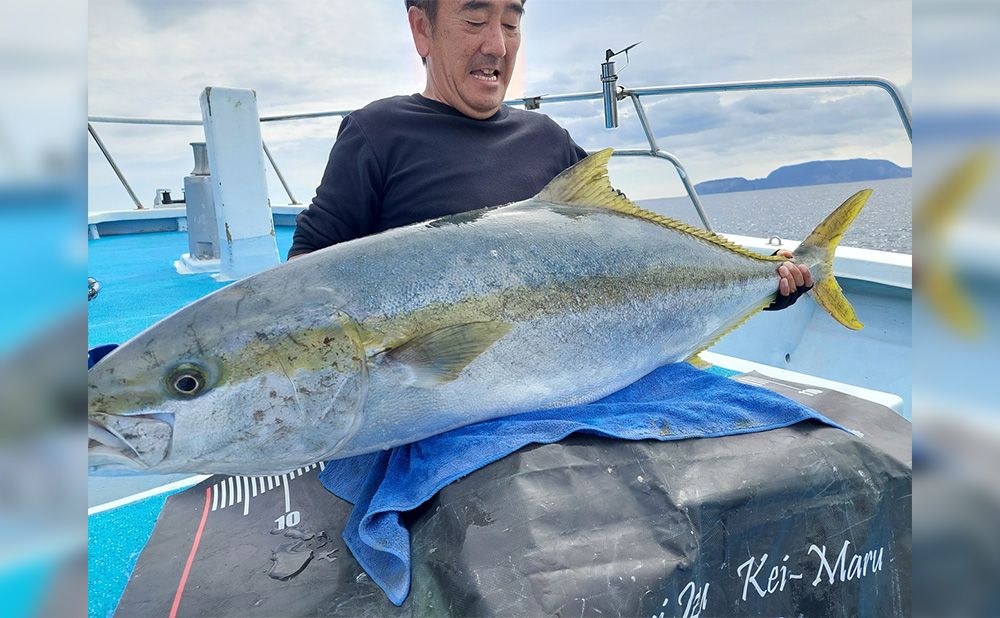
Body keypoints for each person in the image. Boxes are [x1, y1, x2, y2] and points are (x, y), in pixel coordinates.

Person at [289, 0, 812, 305]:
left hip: (575, 373)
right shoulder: (377, 134)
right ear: (422, 29)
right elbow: (304, 279)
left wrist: (763, 280)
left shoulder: (547, 137)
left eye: (512, 23)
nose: (497, 44)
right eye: (475, 20)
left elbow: (640, 244)